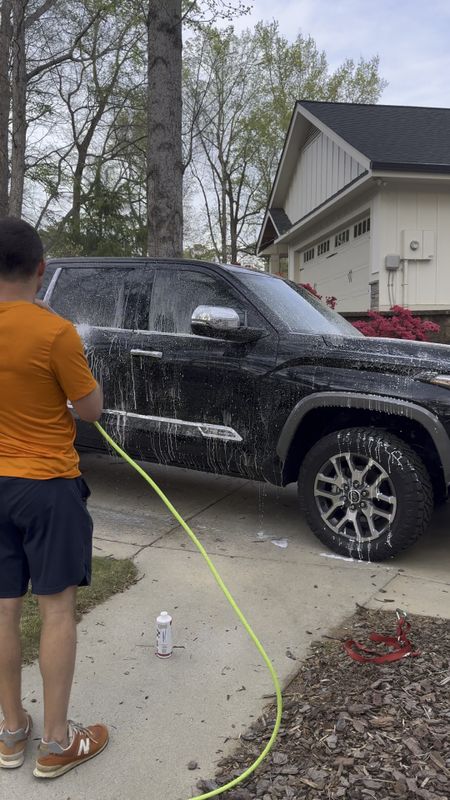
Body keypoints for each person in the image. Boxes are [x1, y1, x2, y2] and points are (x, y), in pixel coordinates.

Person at [0, 217, 108, 778]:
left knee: (3, 608)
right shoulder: (56, 333)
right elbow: (89, 410)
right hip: (47, 488)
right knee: (57, 608)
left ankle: (12, 731)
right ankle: (58, 741)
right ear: (41, 269)